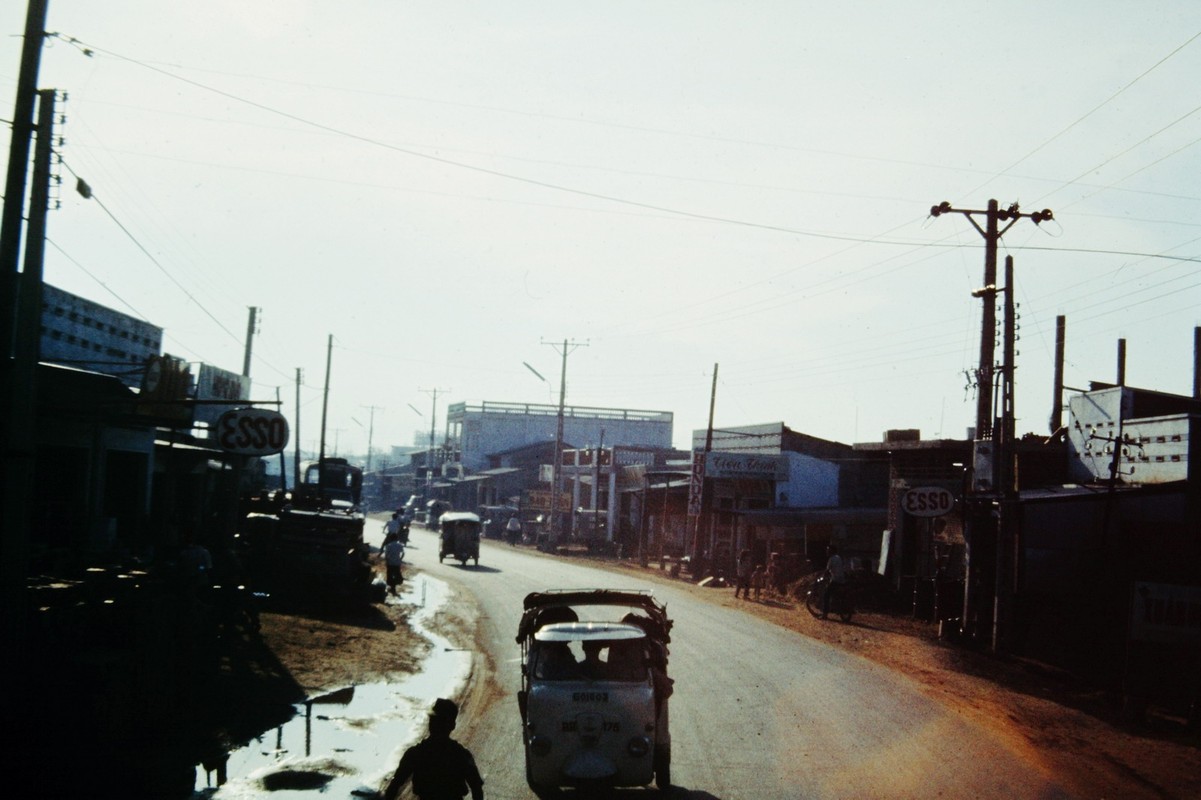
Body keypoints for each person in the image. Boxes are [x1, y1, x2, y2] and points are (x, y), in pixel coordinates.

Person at [384, 698, 484, 800]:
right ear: (452, 726)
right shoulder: (461, 755)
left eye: (437, 720)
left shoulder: (415, 754)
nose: (435, 723)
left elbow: (394, 786)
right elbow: (477, 789)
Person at [822, 544, 848, 618]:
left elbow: (827, 570)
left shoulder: (831, 559)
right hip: (842, 580)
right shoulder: (838, 557)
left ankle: (824, 614)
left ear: (831, 551)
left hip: (835, 580)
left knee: (826, 595)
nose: (826, 551)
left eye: (828, 550)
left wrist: (823, 576)